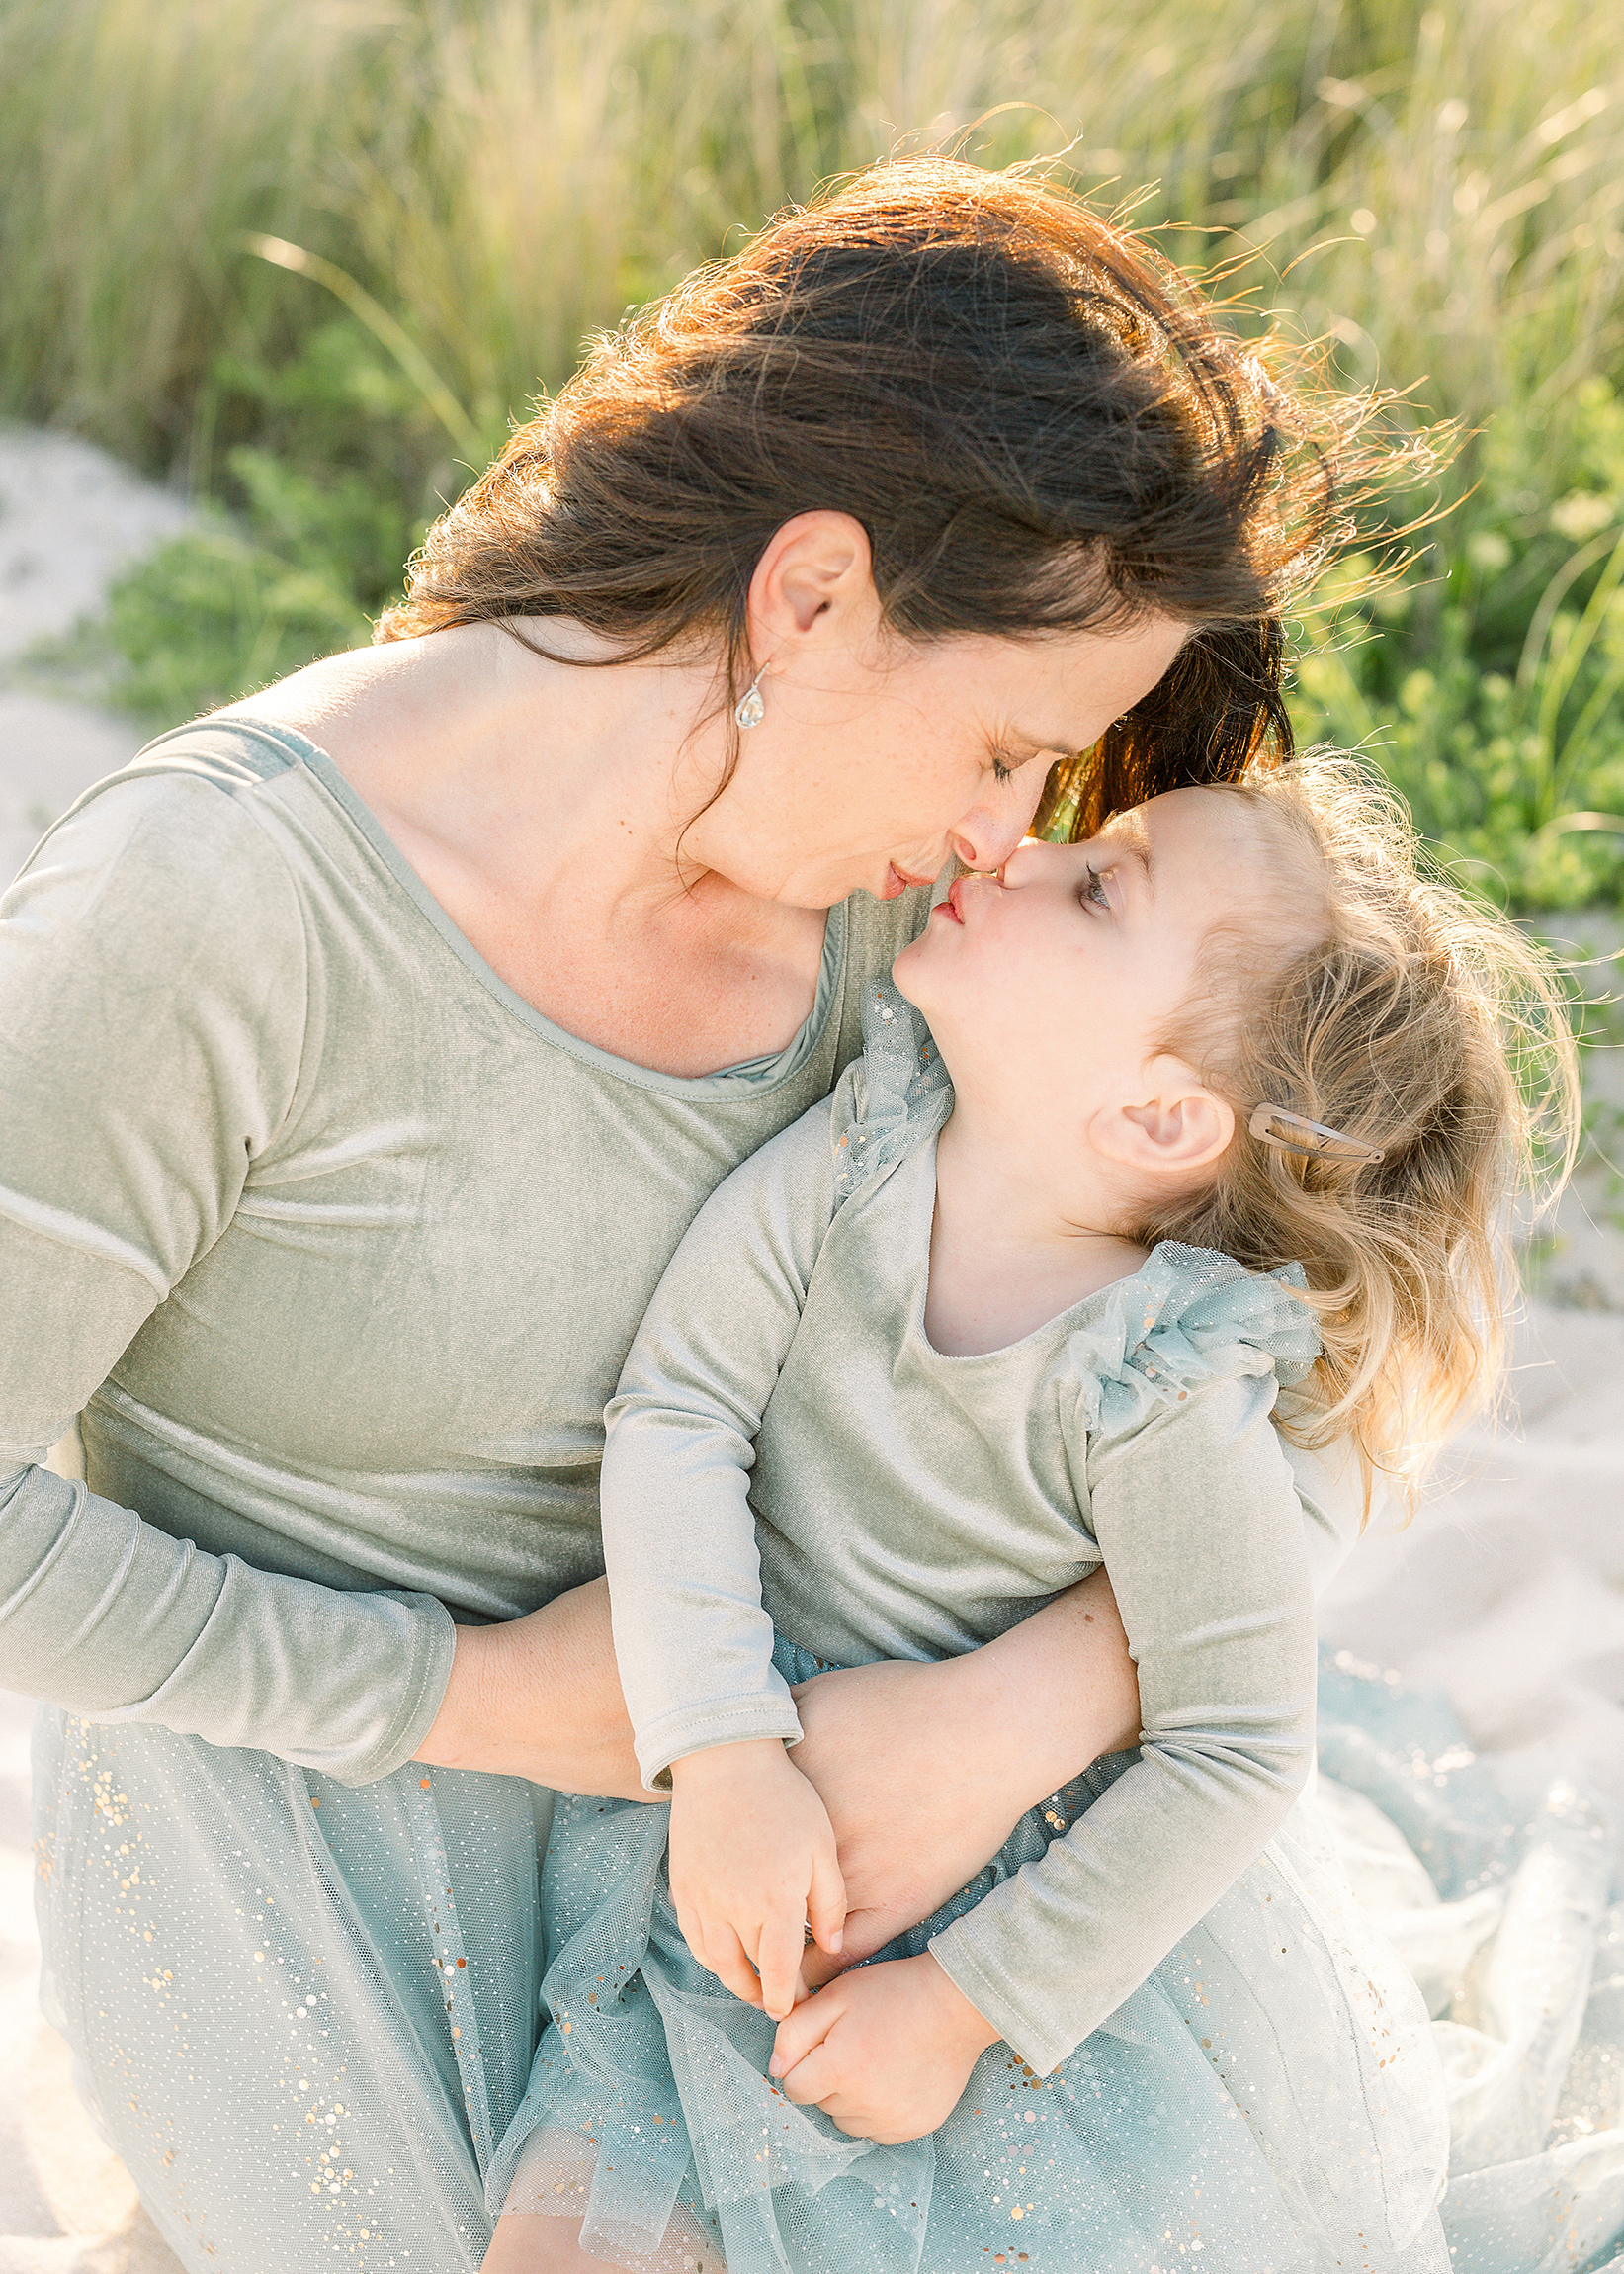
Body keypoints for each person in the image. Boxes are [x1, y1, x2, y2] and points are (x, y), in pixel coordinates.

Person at [5, 162, 1369, 2271]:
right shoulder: (205, 912)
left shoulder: (915, 933)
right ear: (812, 596)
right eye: (1012, 747)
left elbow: (1288, 1364)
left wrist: (1024, 1711)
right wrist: (489, 1701)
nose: (1010, 836)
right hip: (349, 1894)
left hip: (848, 1883)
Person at [488, 757, 1579, 2274]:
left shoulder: (1156, 1374)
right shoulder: (868, 1151)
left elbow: (1237, 1748)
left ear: (1154, 1115)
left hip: (1014, 1928)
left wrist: (963, 2006)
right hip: (744, 1834)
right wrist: (724, 1747)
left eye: (1097, 886)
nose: (1025, 852)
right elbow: (679, 1412)